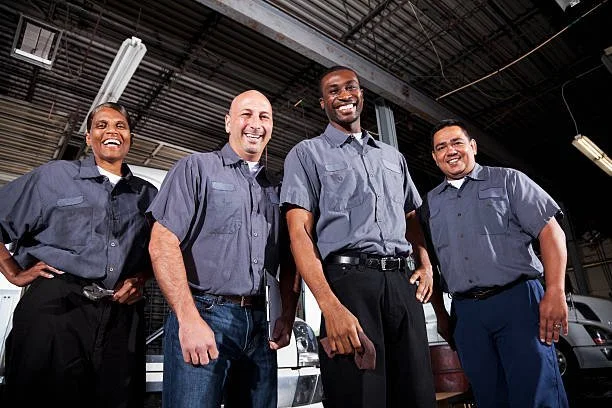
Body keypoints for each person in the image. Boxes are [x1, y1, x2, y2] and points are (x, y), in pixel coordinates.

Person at [281, 66, 437, 408]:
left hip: (401, 283)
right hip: (348, 286)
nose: (344, 95)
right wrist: (329, 306)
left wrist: (425, 265)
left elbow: (411, 215)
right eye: (333, 91)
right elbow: (299, 235)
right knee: (360, 395)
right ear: (323, 103)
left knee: (417, 395)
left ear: (362, 95)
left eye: (350, 87)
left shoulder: (392, 157)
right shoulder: (306, 154)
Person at [0, 102, 158, 408]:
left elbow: (162, 252)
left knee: (117, 398)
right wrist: (11, 270)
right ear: (88, 138)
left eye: (119, 126)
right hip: (57, 307)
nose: (111, 131)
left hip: (121, 314)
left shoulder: (148, 195)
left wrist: (141, 278)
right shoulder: (54, 176)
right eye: (101, 125)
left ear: (130, 137)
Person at [147, 90, 299, 408]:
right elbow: (162, 243)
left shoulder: (278, 189)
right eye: (246, 114)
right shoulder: (196, 169)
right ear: (228, 122)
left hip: (261, 324)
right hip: (205, 315)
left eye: (263, 116)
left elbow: (290, 258)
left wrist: (287, 311)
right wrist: (188, 319)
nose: (254, 124)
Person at [423, 119, 569, 408]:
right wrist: (442, 316)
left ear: (473, 147)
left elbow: (551, 232)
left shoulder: (508, 180)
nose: (450, 151)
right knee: (489, 396)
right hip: (466, 314)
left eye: (457, 143)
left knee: (536, 393)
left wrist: (555, 291)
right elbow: (431, 265)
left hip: (518, 303)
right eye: (441, 147)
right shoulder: (430, 204)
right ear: (434, 157)